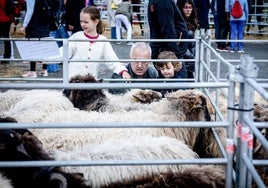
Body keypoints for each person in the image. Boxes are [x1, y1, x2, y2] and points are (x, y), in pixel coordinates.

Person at [59, 6, 131, 80]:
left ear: (96, 22)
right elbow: (63, 53)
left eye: (86, 22)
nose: (83, 24)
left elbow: (112, 60)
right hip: (72, 81)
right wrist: (47, 58)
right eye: (81, 21)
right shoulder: (76, 37)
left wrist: (123, 71)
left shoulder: (103, 41)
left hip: (90, 83)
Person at [147, 0, 188, 78]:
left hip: (165, 50)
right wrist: (176, 57)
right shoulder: (163, 1)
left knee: (168, 83)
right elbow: (168, 29)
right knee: (179, 84)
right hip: (169, 53)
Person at [19, 0, 50, 77]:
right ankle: (44, 70)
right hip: (44, 25)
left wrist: (24, 25)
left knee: (32, 48)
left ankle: (32, 71)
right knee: (44, 48)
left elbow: (30, 11)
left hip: (34, 25)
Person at [177, 0, 198, 78]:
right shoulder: (179, 22)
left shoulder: (191, 21)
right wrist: (190, 56)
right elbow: (179, 43)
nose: (188, 9)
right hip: (184, 57)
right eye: (185, 7)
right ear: (181, 8)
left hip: (190, 57)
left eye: (190, 7)